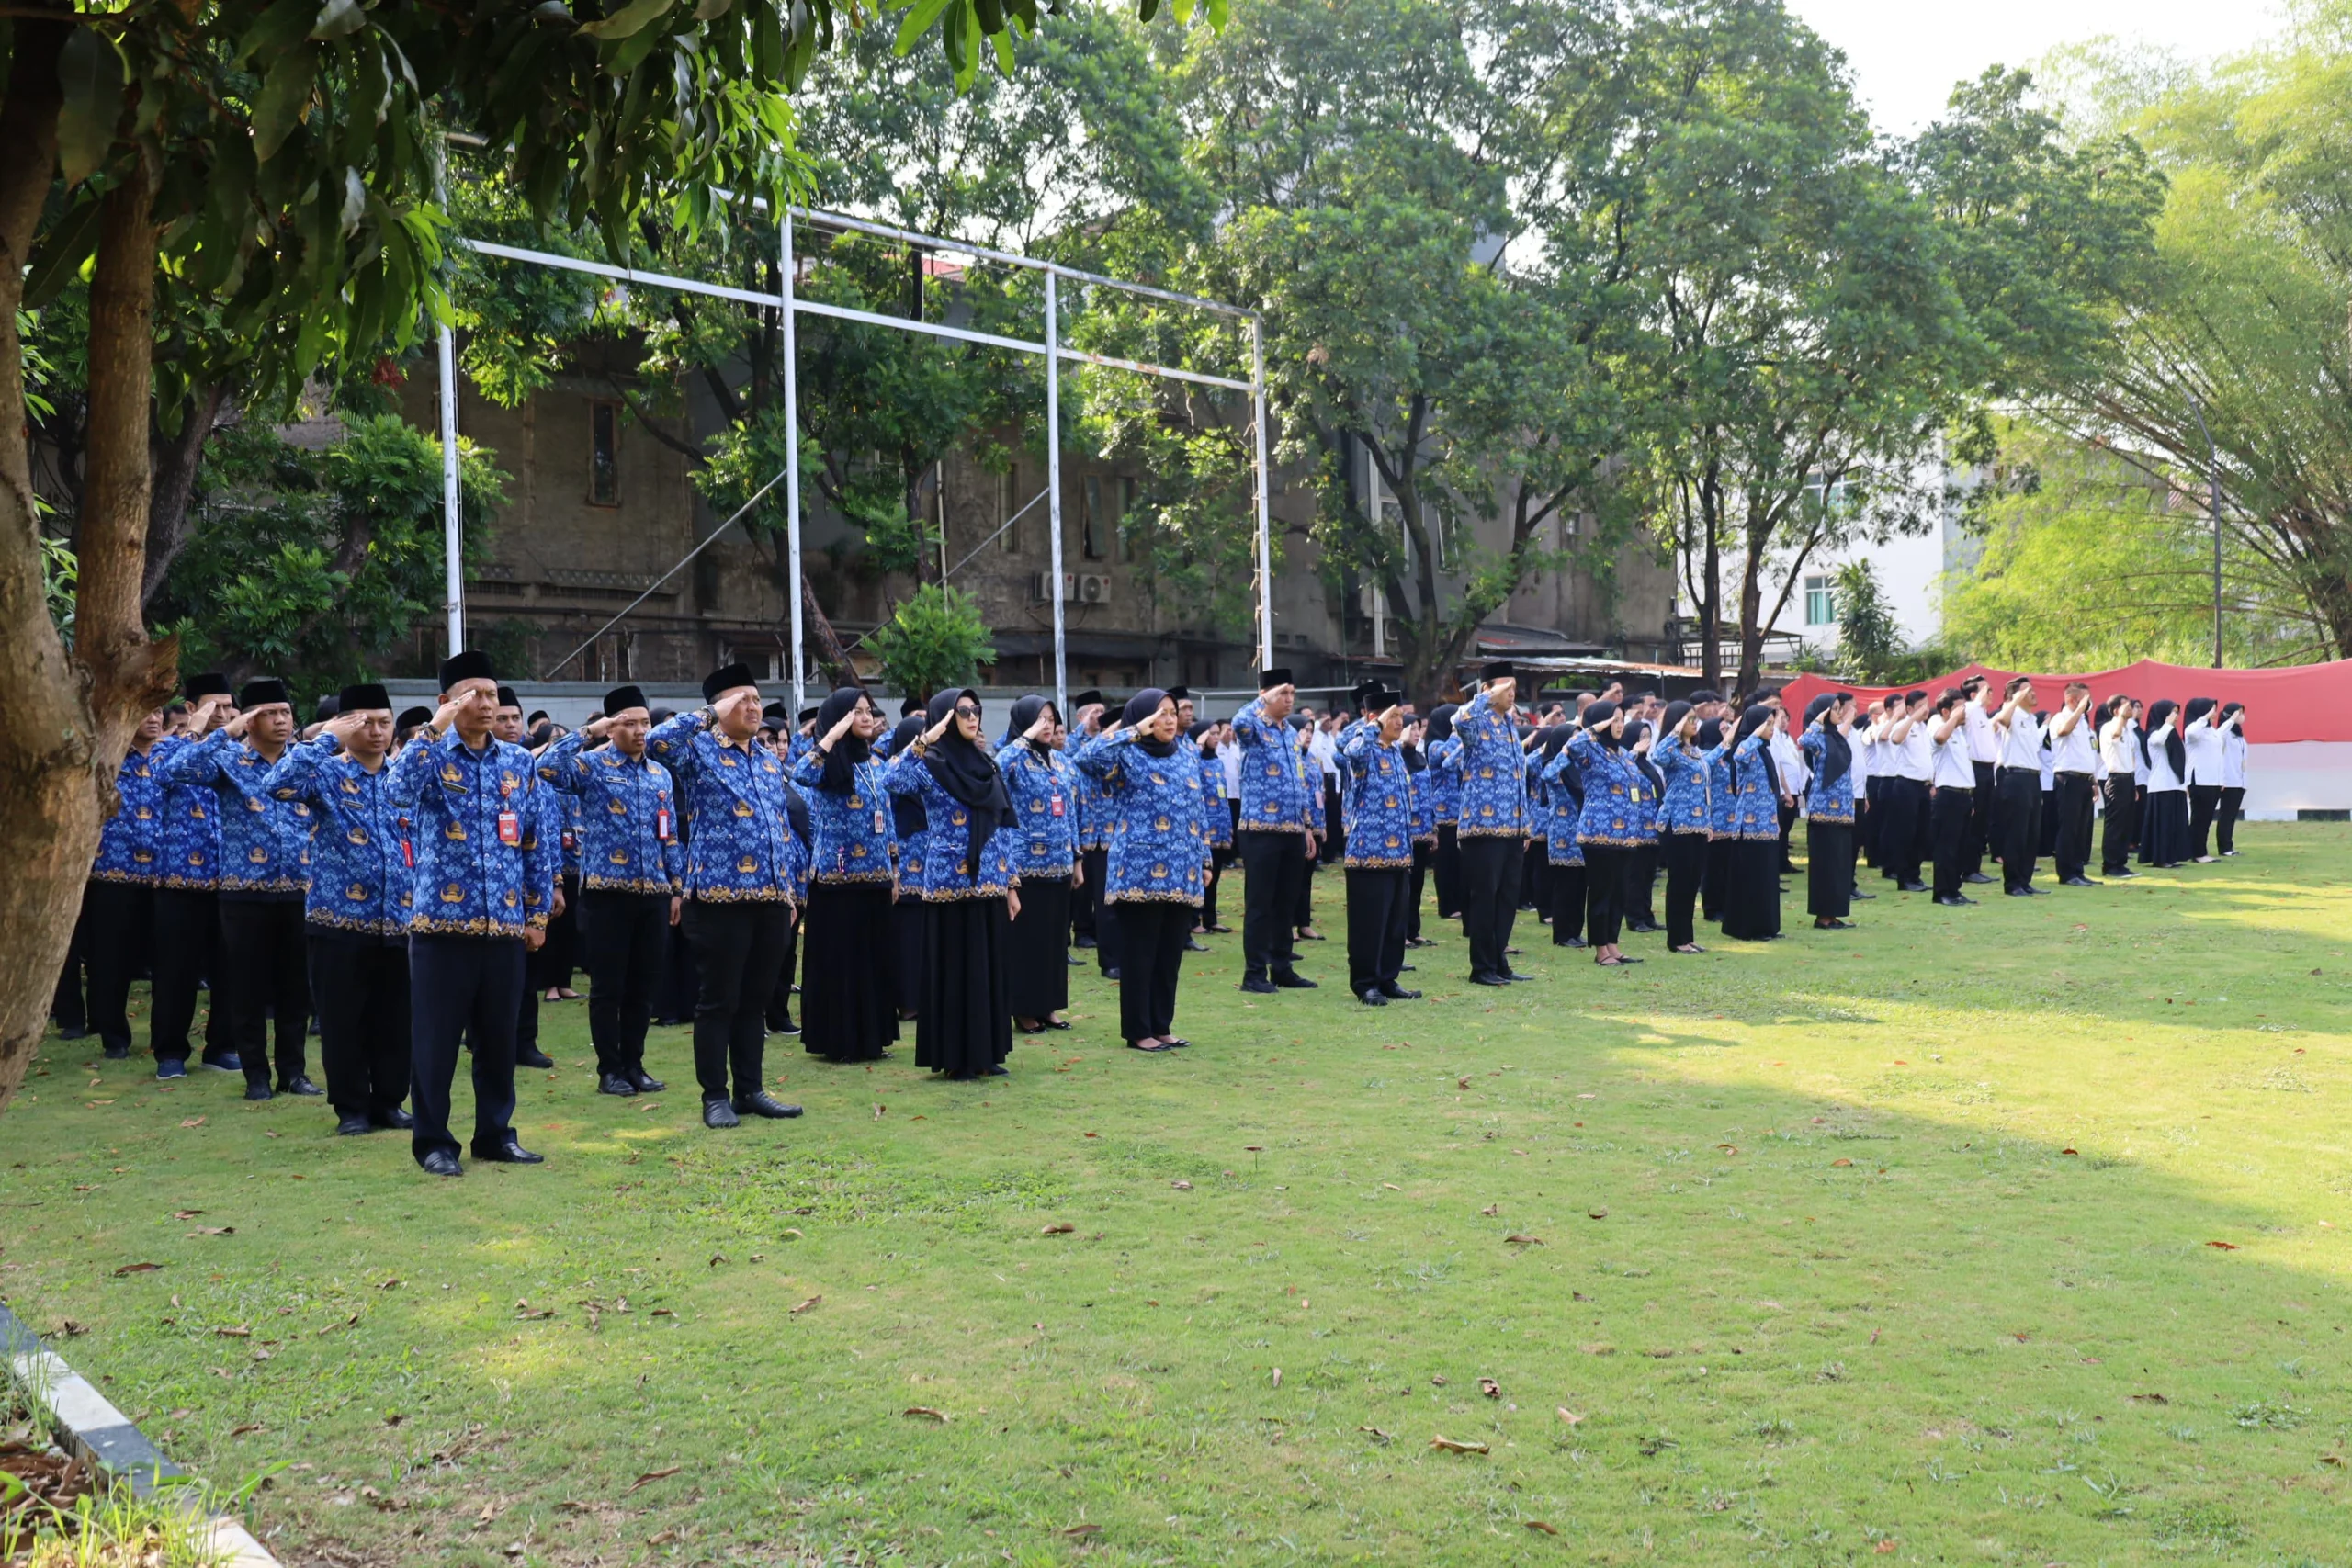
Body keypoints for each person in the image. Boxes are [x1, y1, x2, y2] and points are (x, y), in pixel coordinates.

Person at [385, 651, 558, 1176]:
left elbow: (534, 841)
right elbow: (395, 792)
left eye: (493, 693)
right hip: (441, 928)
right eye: (474, 695)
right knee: (436, 1043)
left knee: (499, 1040)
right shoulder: (431, 755)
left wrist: (537, 914)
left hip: (503, 927)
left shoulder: (518, 761)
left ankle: (495, 1134)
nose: (489, 704)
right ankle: (434, 1141)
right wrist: (432, 730)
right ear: (448, 702)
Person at [646, 665, 808, 1127]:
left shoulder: (768, 759)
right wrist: (709, 713)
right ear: (718, 709)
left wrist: (790, 889)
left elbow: (780, 828)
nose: (754, 708)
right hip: (719, 900)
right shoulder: (697, 750)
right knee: (719, 1000)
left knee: (755, 1001)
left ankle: (751, 1090)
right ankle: (714, 1095)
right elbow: (657, 742)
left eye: (757, 700)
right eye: (743, 701)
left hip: (771, 901)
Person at [263, 683, 415, 1134]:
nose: (376, 732)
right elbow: (277, 784)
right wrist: (327, 736)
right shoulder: (326, 773)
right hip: (338, 921)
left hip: (400, 919)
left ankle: (389, 1101)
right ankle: (351, 1108)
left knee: (395, 1020)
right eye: (363, 723)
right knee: (343, 1018)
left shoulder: (402, 776)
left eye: (384, 723)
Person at [166, 678, 317, 1100]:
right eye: (269, 713)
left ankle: (293, 1072)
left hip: (299, 889)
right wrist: (224, 732)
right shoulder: (230, 760)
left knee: (295, 989)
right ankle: (256, 1076)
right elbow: (173, 770)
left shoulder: (304, 761)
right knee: (246, 987)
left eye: (285, 712)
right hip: (244, 892)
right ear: (249, 721)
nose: (281, 721)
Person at [538, 684, 685, 1095]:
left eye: (644, 722)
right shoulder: (591, 767)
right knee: (608, 987)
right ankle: (609, 1069)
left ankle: (635, 1064)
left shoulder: (660, 773)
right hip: (607, 894)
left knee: (643, 984)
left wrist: (676, 888)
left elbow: (669, 836)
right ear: (611, 727)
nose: (641, 731)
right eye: (630, 723)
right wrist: (591, 731)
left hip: (653, 894)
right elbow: (546, 767)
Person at [888, 687, 1021, 1077]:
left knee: (986, 971)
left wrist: (1011, 883)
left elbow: (1004, 827)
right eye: (962, 711)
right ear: (944, 716)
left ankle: (985, 1054)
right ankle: (954, 1059)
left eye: (976, 709)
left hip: (990, 883)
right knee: (955, 973)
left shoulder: (987, 765)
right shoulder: (931, 764)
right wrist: (925, 738)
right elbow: (889, 779)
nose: (972, 716)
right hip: (948, 885)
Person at [1073, 689, 1206, 1049]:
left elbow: (1198, 809)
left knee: (1168, 957)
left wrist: (1205, 858)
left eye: (1172, 713)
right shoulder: (1127, 755)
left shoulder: (1184, 755)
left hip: (1183, 872)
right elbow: (1086, 758)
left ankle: (1161, 1025)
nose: (1168, 719)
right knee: (1140, 954)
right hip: (1139, 872)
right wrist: (1133, 730)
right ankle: (1138, 1030)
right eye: (1160, 713)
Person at [68, 707, 166, 1060]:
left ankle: (164, 1036)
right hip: (112, 872)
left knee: (167, 961)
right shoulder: (105, 759)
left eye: (157, 712)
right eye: (144, 713)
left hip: (162, 874)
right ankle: (113, 1036)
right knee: (110, 959)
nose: (153, 719)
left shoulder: (170, 757)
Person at [995, 695, 1079, 1036]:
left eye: (1051, 719)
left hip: (1060, 863)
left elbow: (1071, 811)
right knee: (1027, 941)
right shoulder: (1014, 757)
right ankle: (1024, 1009)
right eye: (1040, 719)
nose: (1047, 726)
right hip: (1026, 864)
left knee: (1054, 941)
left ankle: (1049, 1005)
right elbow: (996, 769)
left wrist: (1077, 859)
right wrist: (1025, 738)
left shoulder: (1060, 762)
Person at [1232, 669, 1319, 993]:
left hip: (1292, 829)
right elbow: (1237, 722)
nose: (1289, 700)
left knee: (1286, 902)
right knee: (1260, 903)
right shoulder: (1254, 728)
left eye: (1292, 694)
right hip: (1260, 830)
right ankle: (1254, 973)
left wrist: (1307, 826)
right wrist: (1261, 700)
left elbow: (1300, 783)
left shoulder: (1289, 734)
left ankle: (1282, 967)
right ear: (1267, 695)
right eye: (1283, 694)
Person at [1335, 688, 1420, 1006]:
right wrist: (1374, 724)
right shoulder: (1364, 747)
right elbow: (1351, 750)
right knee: (1368, 923)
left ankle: (1388, 977)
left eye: (1401, 717)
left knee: (1394, 923)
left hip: (1398, 853)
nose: (1401, 723)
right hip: (1368, 853)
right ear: (1375, 718)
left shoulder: (1394, 752)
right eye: (1394, 717)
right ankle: (1365, 982)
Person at [1453, 663, 1532, 985]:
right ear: (1487, 689)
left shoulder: (1509, 723)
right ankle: (1481, 967)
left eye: (1514, 686)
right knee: (1485, 897)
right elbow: (1459, 719)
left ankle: (1499, 961)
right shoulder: (1478, 718)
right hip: (1483, 827)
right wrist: (1485, 698)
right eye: (1505, 686)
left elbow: (1517, 777)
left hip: (1512, 827)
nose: (1511, 692)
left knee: (1507, 898)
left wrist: (1523, 824)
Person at [1565, 700, 1646, 967]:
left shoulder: (1622, 753)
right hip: (1599, 833)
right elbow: (1571, 747)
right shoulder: (1591, 750)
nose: (1620, 725)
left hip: (1626, 834)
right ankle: (1600, 948)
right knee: (1601, 891)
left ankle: (1613, 943)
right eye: (1614, 720)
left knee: (1619, 891)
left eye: (1622, 720)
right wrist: (1593, 728)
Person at [1650, 701, 1720, 953]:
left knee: (1692, 882)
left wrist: (1707, 822)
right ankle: (1676, 939)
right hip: (1676, 823)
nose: (1694, 723)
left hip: (1698, 824)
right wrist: (1675, 730)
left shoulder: (1695, 751)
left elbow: (1705, 789)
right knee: (1679, 882)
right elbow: (1657, 756)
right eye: (1689, 719)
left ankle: (1687, 936)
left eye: (1695, 719)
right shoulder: (1671, 750)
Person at [1718, 705, 1783, 942]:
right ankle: (1749, 928)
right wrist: (1755, 734)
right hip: (1749, 824)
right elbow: (1738, 755)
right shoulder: (1747, 746)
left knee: (1766, 878)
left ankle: (1767, 926)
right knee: (1751, 878)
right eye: (1767, 724)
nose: (1771, 729)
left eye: (1772, 724)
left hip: (1767, 823)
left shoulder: (1765, 750)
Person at [1796, 693, 1858, 930]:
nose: (1839, 712)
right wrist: (1819, 719)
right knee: (1825, 865)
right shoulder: (1819, 738)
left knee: (1839, 865)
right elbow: (1804, 739)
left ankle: (1834, 913)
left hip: (1842, 812)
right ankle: (1823, 916)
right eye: (1834, 708)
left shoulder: (1836, 738)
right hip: (1823, 812)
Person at [884, 712, 931, 1020]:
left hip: (930, 872)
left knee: (925, 939)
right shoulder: (894, 775)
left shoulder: (932, 774)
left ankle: (925, 999)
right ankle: (907, 1002)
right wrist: (895, 871)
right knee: (906, 941)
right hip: (904, 869)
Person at [1990, 678, 2046, 896]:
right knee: (2017, 832)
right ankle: (2012, 883)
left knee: (2032, 833)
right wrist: (2013, 701)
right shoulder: (2010, 711)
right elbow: (2002, 720)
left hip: (2033, 778)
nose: (2033, 694)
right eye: (2027, 691)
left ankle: (2025, 880)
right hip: (2015, 776)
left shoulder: (2032, 719)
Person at [1925, 689, 1978, 908]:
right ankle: (1942, 892)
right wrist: (1953, 718)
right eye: (1960, 708)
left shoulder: (1959, 732)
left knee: (1960, 847)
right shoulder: (1937, 724)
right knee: (1946, 848)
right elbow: (1939, 738)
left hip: (1963, 795)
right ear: (1946, 710)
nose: (1965, 712)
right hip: (1948, 795)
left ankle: (1954, 889)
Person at [1535, 725, 1586, 949]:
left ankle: (1576, 931)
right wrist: (1565, 753)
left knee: (1580, 885)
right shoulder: (1555, 766)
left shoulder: (1579, 768)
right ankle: (1563, 933)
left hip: (1583, 830)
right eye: (1571, 739)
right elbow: (1547, 774)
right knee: (1565, 884)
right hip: (1563, 833)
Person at [2046, 682, 2099, 886]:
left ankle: (2078, 870)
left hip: (2084, 780)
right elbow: (2063, 731)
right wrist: (2078, 710)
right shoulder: (2061, 717)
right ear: (2072, 699)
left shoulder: (2084, 722)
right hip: (2068, 779)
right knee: (2068, 828)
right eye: (2085, 699)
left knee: (2081, 829)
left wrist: (2093, 779)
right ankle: (2067, 873)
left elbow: (2086, 752)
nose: (2089, 703)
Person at [1067, 689, 1107, 953]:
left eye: (1103, 712)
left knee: (1103, 885)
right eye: (1095, 712)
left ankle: (1102, 931)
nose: (1100, 717)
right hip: (1082, 822)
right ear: (1081, 716)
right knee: (1082, 884)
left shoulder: (1108, 741)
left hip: (1106, 825)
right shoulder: (1071, 742)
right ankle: (1082, 931)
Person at [2138, 700, 2191, 868]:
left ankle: (2171, 857)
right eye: (2172, 712)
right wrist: (2167, 725)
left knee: (2175, 825)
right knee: (2163, 825)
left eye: (2177, 712)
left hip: (2175, 784)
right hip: (2161, 785)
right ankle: (2160, 858)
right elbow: (2158, 741)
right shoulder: (2154, 733)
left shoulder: (2172, 734)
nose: (2176, 717)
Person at [1193, 721, 1233, 939]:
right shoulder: (1194, 761)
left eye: (1219, 733)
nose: (1217, 737)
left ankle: (1210, 917)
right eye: (1212, 734)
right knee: (1200, 873)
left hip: (1219, 826)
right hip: (1202, 826)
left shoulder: (1217, 762)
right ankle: (1193, 918)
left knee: (1214, 874)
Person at [1424, 704, 1464, 919]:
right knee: (1446, 860)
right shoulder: (1434, 745)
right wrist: (1457, 733)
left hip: (1461, 811)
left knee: (1459, 862)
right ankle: (1447, 905)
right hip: (1442, 812)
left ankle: (1459, 902)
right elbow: (1448, 755)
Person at [2097, 696, 2143, 879]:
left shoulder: (2129, 731)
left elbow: (2131, 757)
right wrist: (2121, 718)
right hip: (2115, 779)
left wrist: (2134, 784)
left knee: (2126, 824)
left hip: (2128, 779)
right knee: (2115, 825)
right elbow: (2115, 737)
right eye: (2126, 705)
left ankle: (2121, 863)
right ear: (2116, 709)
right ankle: (2110, 865)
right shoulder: (2110, 727)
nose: (2131, 708)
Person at [1960, 675, 1998, 884]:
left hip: (1987, 770)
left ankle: (1975, 866)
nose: (1991, 693)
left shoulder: (1983, 714)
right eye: (1987, 690)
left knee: (1983, 821)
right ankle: (1968, 869)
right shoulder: (1971, 710)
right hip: (1975, 769)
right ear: (1974, 695)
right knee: (1974, 821)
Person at [2182, 697, 2227, 862]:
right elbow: (2192, 732)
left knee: (2207, 818)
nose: (2214, 713)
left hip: (2213, 781)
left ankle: (2201, 850)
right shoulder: (2194, 730)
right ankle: (2197, 853)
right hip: (2199, 779)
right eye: (2211, 710)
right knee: (2199, 818)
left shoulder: (2211, 731)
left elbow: (2218, 756)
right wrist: (2205, 717)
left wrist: (2221, 780)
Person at [2216, 704, 2248, 855]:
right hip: (2228, 781)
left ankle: (2229, 845)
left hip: (2239, 781)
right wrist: (2230, 720)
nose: (2241, 716)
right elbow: (2220, 735)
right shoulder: (2225, 733)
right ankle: (2224, 847)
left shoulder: (2238, 734)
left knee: (2232, 816)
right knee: (2226, 815)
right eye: (2238, 713)